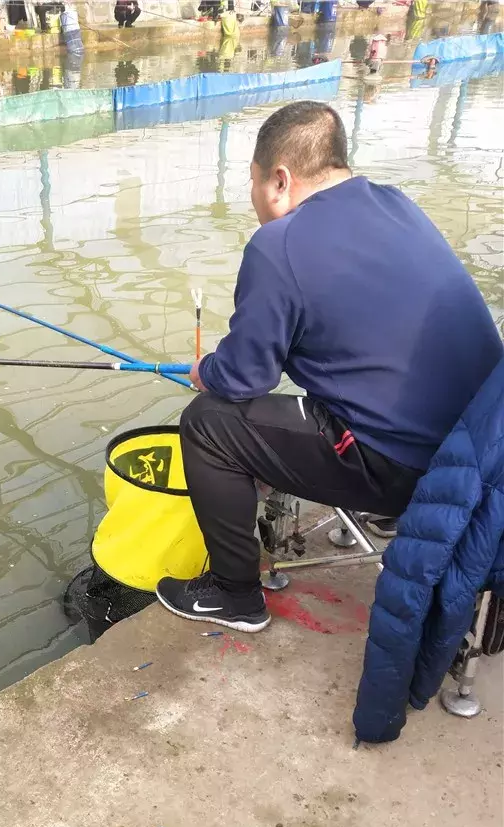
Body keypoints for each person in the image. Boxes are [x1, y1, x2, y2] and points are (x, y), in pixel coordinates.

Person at [155, 102, 503, 632]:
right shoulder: (397, 205)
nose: (253, 199)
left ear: (279, 179)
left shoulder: (278, 244)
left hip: (408, 469)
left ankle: (235, 595)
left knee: (208, 423)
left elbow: (244, 377)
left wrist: (208, 369)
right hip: (481, 451)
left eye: (251, 183)